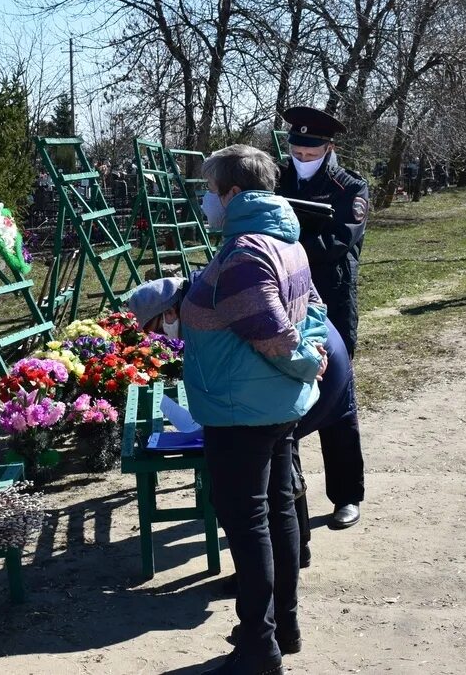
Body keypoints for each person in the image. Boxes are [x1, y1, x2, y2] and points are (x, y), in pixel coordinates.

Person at [182, 144, 328, 675]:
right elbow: (313, 310)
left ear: (233, 194)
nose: (203, 201)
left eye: (208, 190)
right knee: (279, 512)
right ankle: (282, 627)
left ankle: (257, 647)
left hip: (242, 409)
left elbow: (272, 333)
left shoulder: (245, 251)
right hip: (271, 405)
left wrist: (306, 362)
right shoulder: (285, 240)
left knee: (249, 525)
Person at [275, 105, 368, 530]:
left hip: (331, 298)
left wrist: (289, 243)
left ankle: (347, 494)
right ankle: (288, 496)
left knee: (337, 398)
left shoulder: (350, 186)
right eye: (296, 148)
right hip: (284, 300)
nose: (301, 156)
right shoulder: (277, 179)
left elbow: (338, 242)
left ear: (329, 148)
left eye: (311, 152)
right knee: (279, 400)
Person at [292, 318, 356, 564]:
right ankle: (298, 545)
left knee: (277, 446)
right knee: (281, 451)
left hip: (321, 360)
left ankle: (295, 549)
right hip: (316, 349)